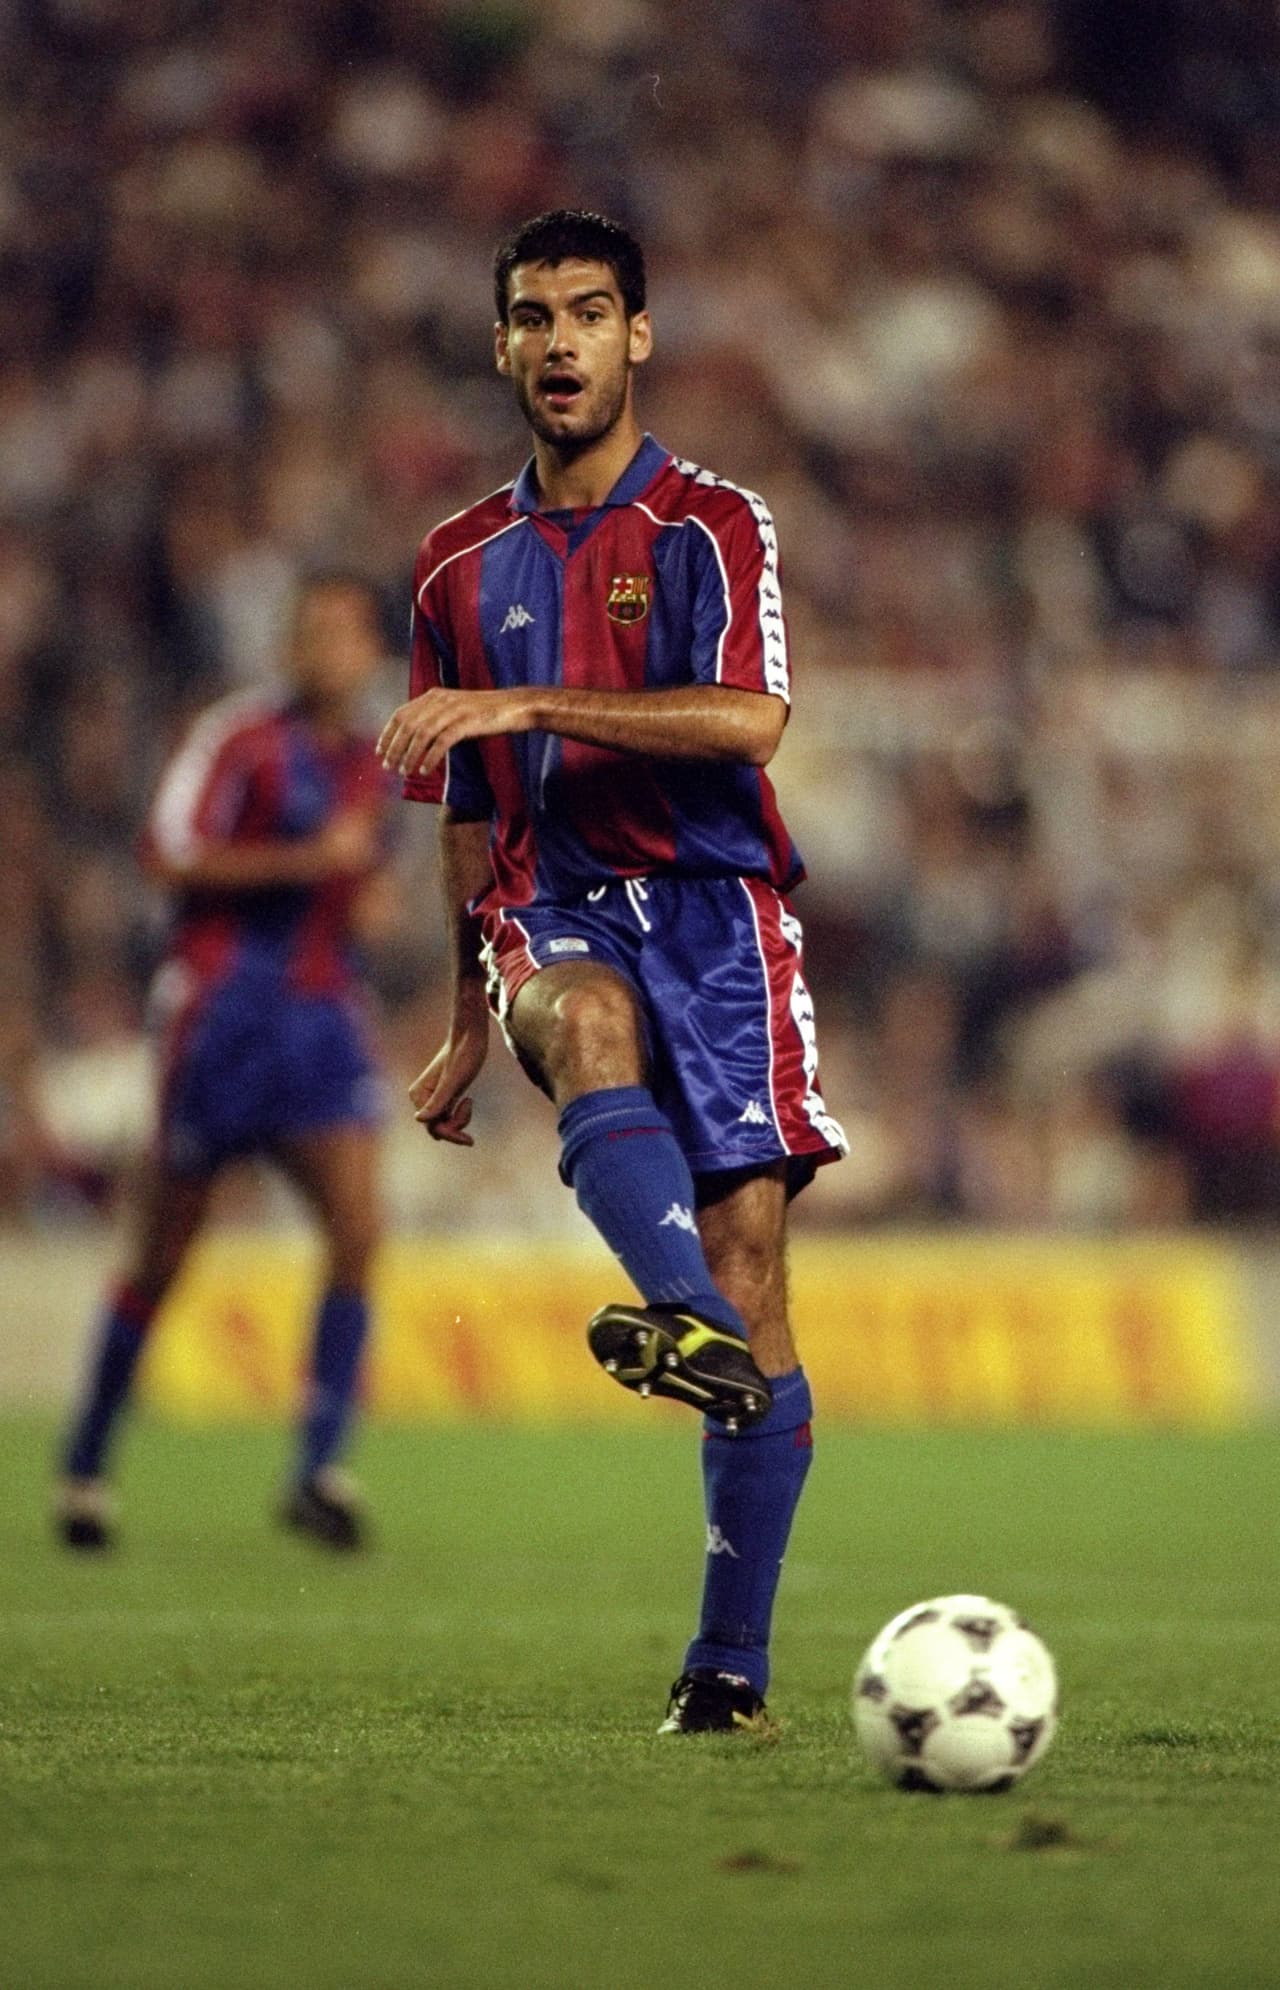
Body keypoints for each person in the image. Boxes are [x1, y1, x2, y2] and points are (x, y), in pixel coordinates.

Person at [379, 209, 846, 1733]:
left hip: (718, 915)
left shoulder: (714, 523)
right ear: (501, 343)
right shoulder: (455, 562)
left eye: (590, 312)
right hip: (557, 898)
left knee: (756, 1277)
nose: (561, 341)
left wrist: (521, 702)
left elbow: (751, 723)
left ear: (638, 335)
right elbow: (463, 809)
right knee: (578, 1020)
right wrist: (463, 1020)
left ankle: (729, 1675)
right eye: (533, 316)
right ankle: (685, 1320)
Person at [55, 572, 395, 1552]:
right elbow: (165, 854)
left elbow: (355, 878)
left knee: (360, 1226)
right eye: (311, 631)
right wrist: (304, 864)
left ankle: (319, 1467)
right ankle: (84, 1463)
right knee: (164, 1252)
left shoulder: (369, 764)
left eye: (344, 633)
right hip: (222, 1010)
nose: (325, 648)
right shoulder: (238, 739)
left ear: (369, 651)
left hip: (322, 1014)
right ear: (289, 646)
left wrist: (363, 898)